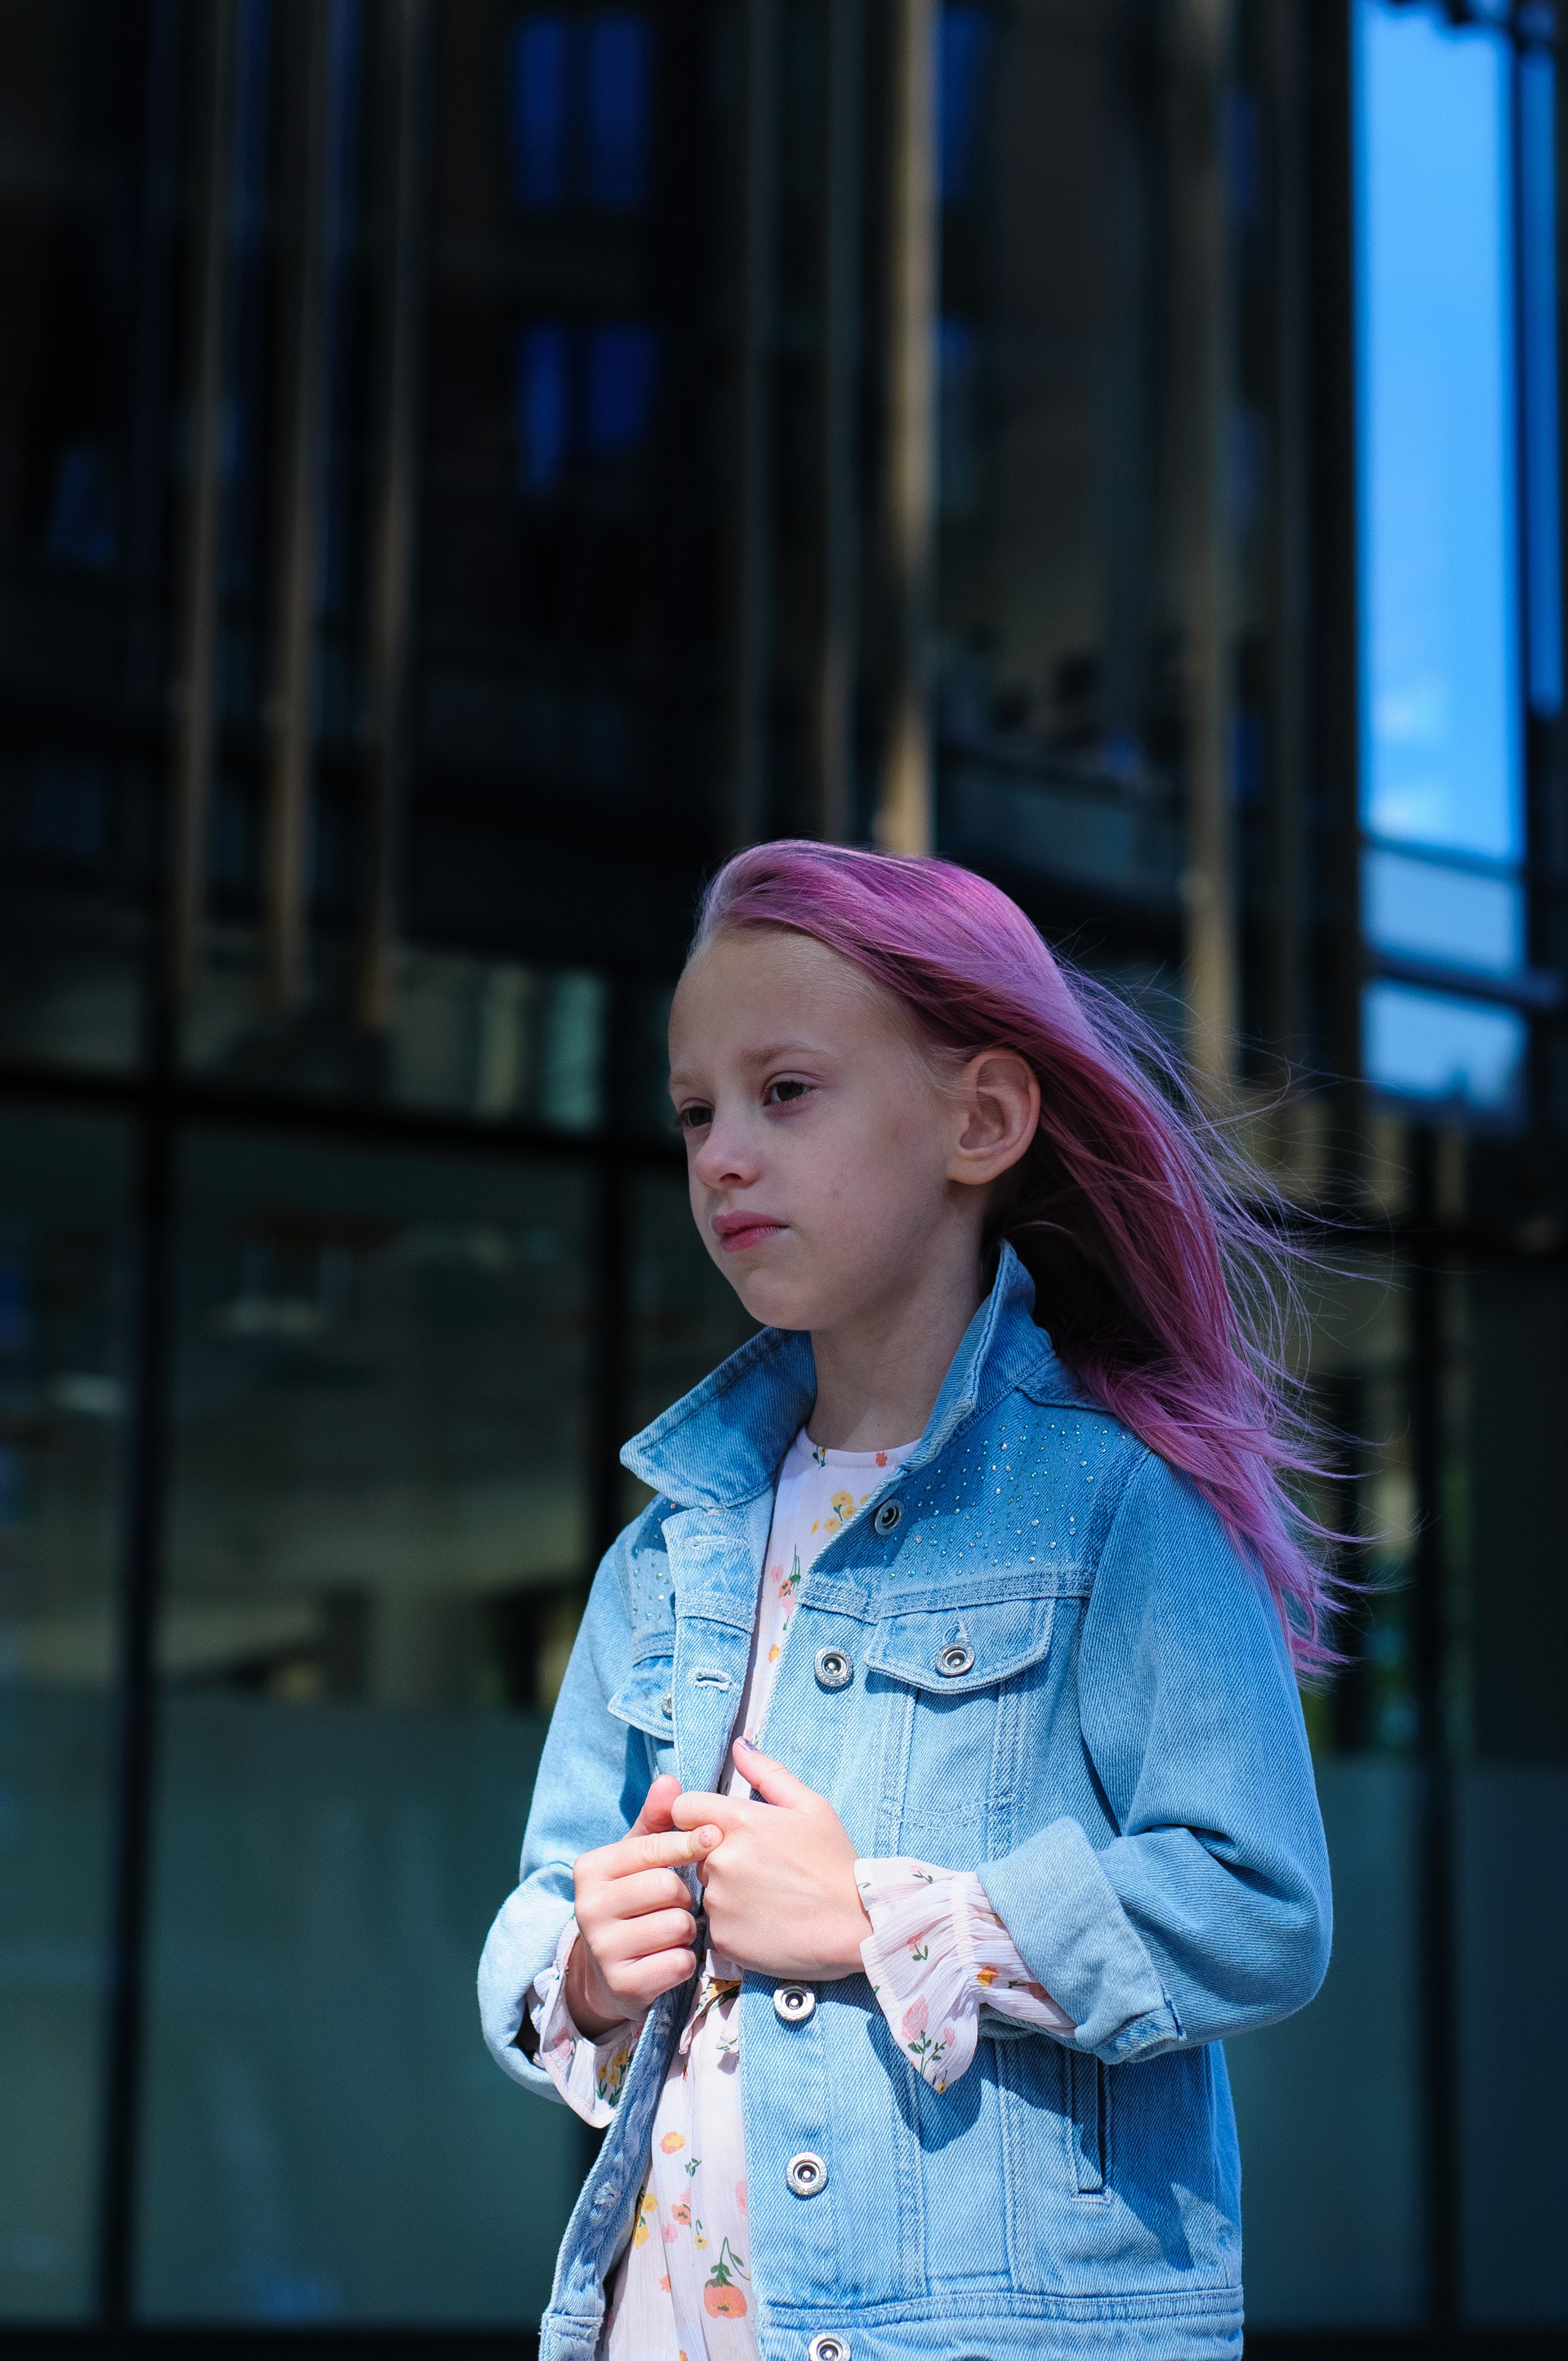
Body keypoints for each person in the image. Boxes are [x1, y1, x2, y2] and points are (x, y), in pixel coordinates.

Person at [479, 841, 1334, 2361]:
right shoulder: (662, 1557)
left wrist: (879, 1918)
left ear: (982, 1119)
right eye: (696, 1112)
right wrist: (586, 1971)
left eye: (785, 1091)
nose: (723, 1156)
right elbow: (543, 1906)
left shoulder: (1120, 1506)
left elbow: (1257, 1906)